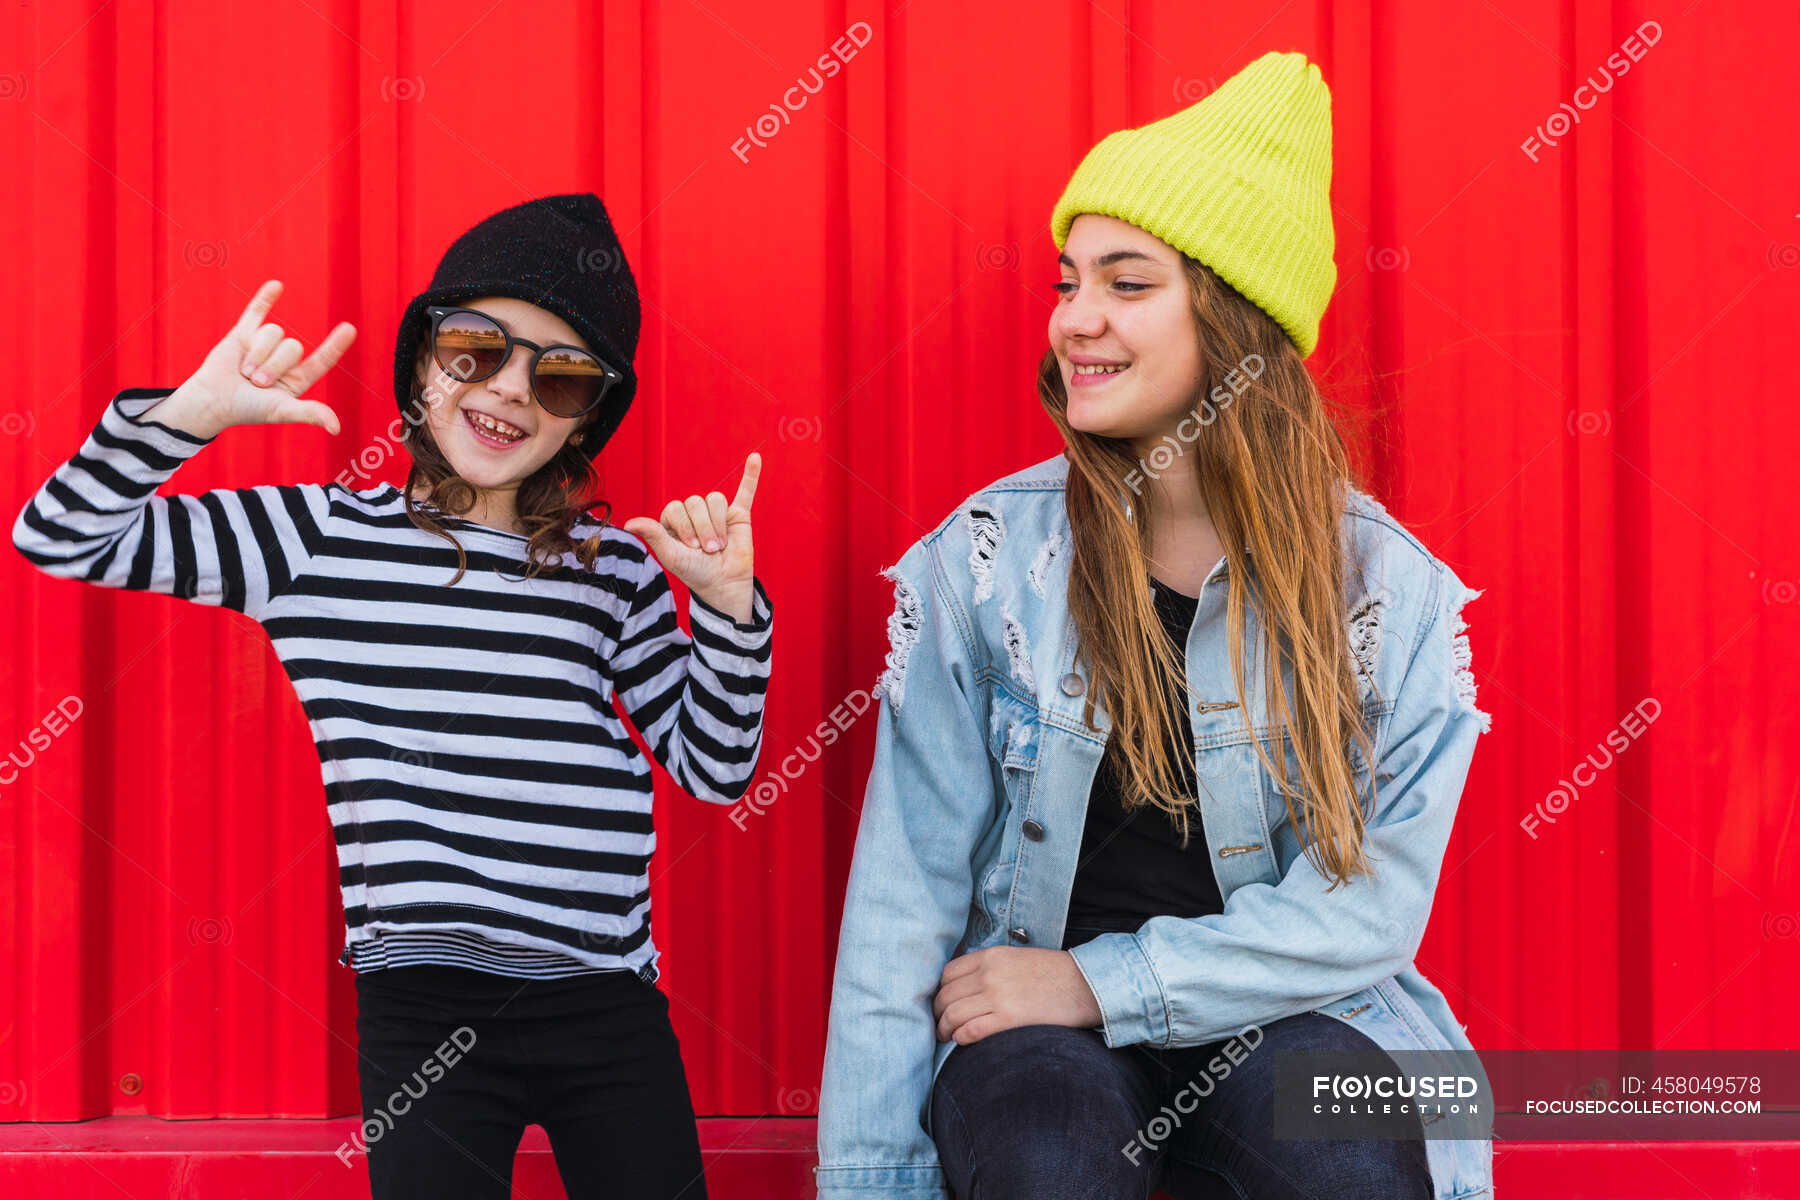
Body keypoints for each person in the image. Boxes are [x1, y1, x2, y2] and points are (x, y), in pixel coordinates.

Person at [815, 52, 1493, 1200]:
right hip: (1034, 1032)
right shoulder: (986, 567)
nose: (1076, 320)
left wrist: (1101, 981)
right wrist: (870, 1181)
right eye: (1067, 280)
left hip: (1302, 1007)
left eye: (1127, 284)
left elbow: (1372, 905)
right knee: (1046, 1159)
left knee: (1354, 1157)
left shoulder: (1392, 593)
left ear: (1234, 322)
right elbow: (905, 895)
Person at [12, 193, 773, 1200]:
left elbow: (716, 768)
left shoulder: (614, 568)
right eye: (475, 349)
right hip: (427, 1004)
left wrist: (725, 608)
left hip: (608, 1002)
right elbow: (59, 534)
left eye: (562, 375)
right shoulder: (315, 539)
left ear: (589, 416)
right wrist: (193, 415)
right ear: (422, 363)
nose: (509, 389)